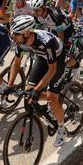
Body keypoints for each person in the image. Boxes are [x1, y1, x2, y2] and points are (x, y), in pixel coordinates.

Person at [8, 15, 69, 147]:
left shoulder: (46, 42)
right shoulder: (22, 43)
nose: (13, 37)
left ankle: (61, 129)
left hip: (57, 59)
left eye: (16, 34)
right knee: (27, 93)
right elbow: (16, 64)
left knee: (52, 98)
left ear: (27, 33)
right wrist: (9, 85)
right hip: (42, 59)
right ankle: (48, 107)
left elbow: (52, 70)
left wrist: (37, 90)